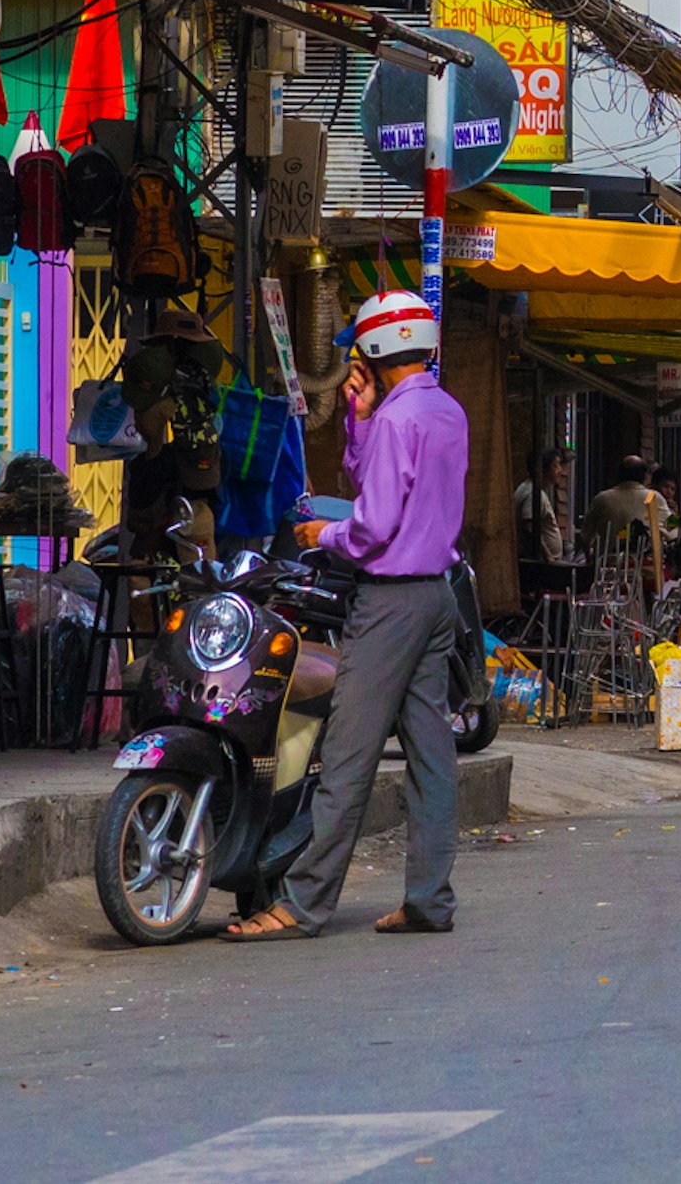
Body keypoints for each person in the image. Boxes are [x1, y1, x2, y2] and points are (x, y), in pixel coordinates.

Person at [229, 289, 470, 938]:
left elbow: (372, 524)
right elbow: (376, 480)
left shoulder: (399, 421)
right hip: (437, 597)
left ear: (378, 348)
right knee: (430, 754)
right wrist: (359, 414)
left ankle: (303, 904)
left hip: (390, 601)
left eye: (361, 349)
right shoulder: (446, 413)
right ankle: (430, 899)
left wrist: (320, 539)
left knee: (346, 756)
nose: (355, 360)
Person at [587, 454, 670, 599]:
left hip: (607, 571)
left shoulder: (602, 499)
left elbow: (586, 536)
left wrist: (591, 562)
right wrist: (679, 518)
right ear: (645, 476)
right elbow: (671, 526)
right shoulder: (653, 497)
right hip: (645, 572)